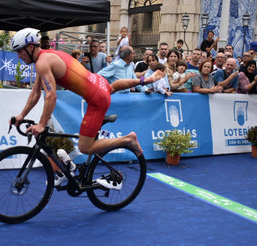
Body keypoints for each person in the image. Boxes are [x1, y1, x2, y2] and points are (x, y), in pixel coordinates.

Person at [10, 28, 164, 189]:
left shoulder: (42, 63)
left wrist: (41, 124)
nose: (18, 56)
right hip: (100, 84)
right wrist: (21, 115)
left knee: (85, 147)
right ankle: (67, 168)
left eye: (20, 51)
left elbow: (51, 96)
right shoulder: (48, 56)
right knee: (111, 88)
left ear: (30, 47)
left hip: (97, 100)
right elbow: (35, 93)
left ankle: (127, 140)